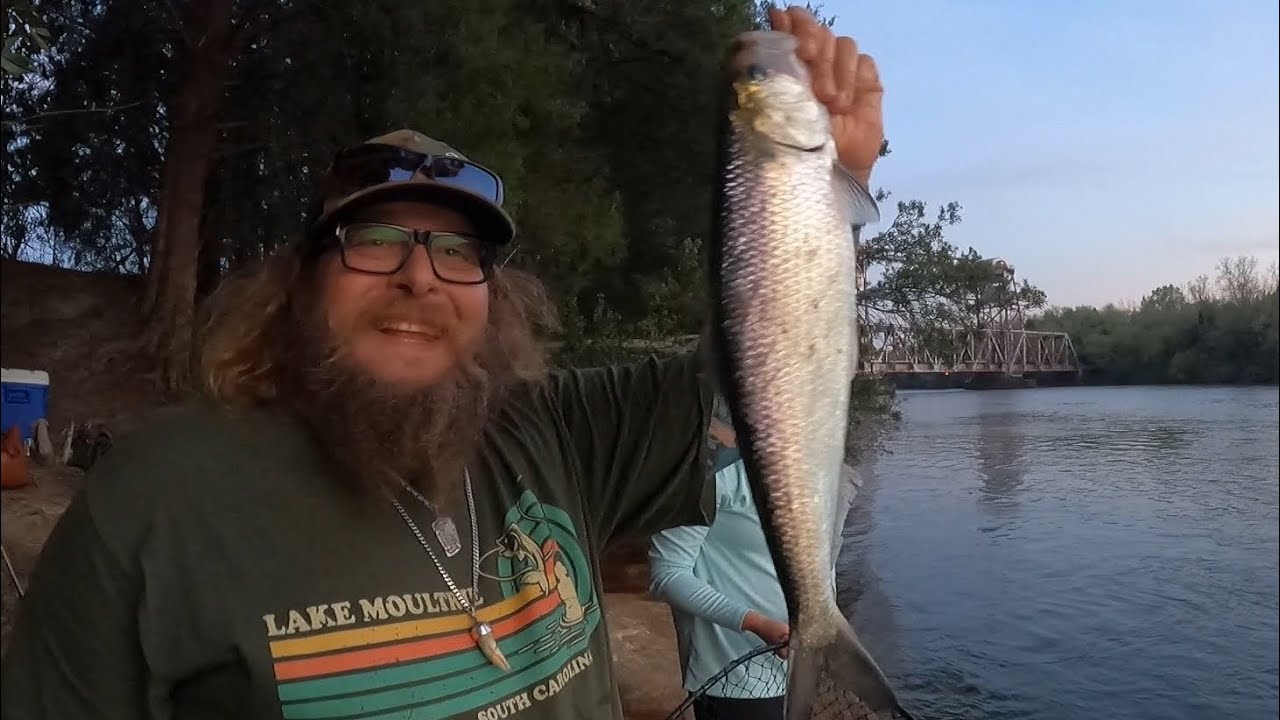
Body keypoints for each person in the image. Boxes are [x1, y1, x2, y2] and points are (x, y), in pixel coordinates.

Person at [0, 7, 884, 719]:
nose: (420, 277)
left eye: (459, 255)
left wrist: (815, 191)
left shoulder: (559, 435)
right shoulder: (153, 503)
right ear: (300, 284)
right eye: (376, 241)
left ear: (493, 298)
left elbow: (764, 363)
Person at [649, 416, 861, 720]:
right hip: (733, 680)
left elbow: (822, 566)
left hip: (798, 670)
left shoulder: (822, 475)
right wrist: (755, 623)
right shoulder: (709, 473)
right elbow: (666, 574)